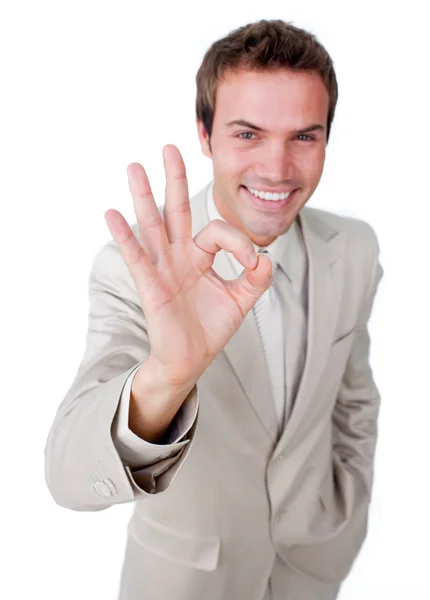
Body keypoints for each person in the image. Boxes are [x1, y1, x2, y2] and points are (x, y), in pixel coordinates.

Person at [44, 18, 384, 600]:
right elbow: (67, 475)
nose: (277, 169)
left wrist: (344, 510)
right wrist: (167, 378)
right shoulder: (138, 272)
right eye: (248, 134)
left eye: (304, 136)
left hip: (312, 575)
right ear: (205, 135)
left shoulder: (354, 249)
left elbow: (354, 398)